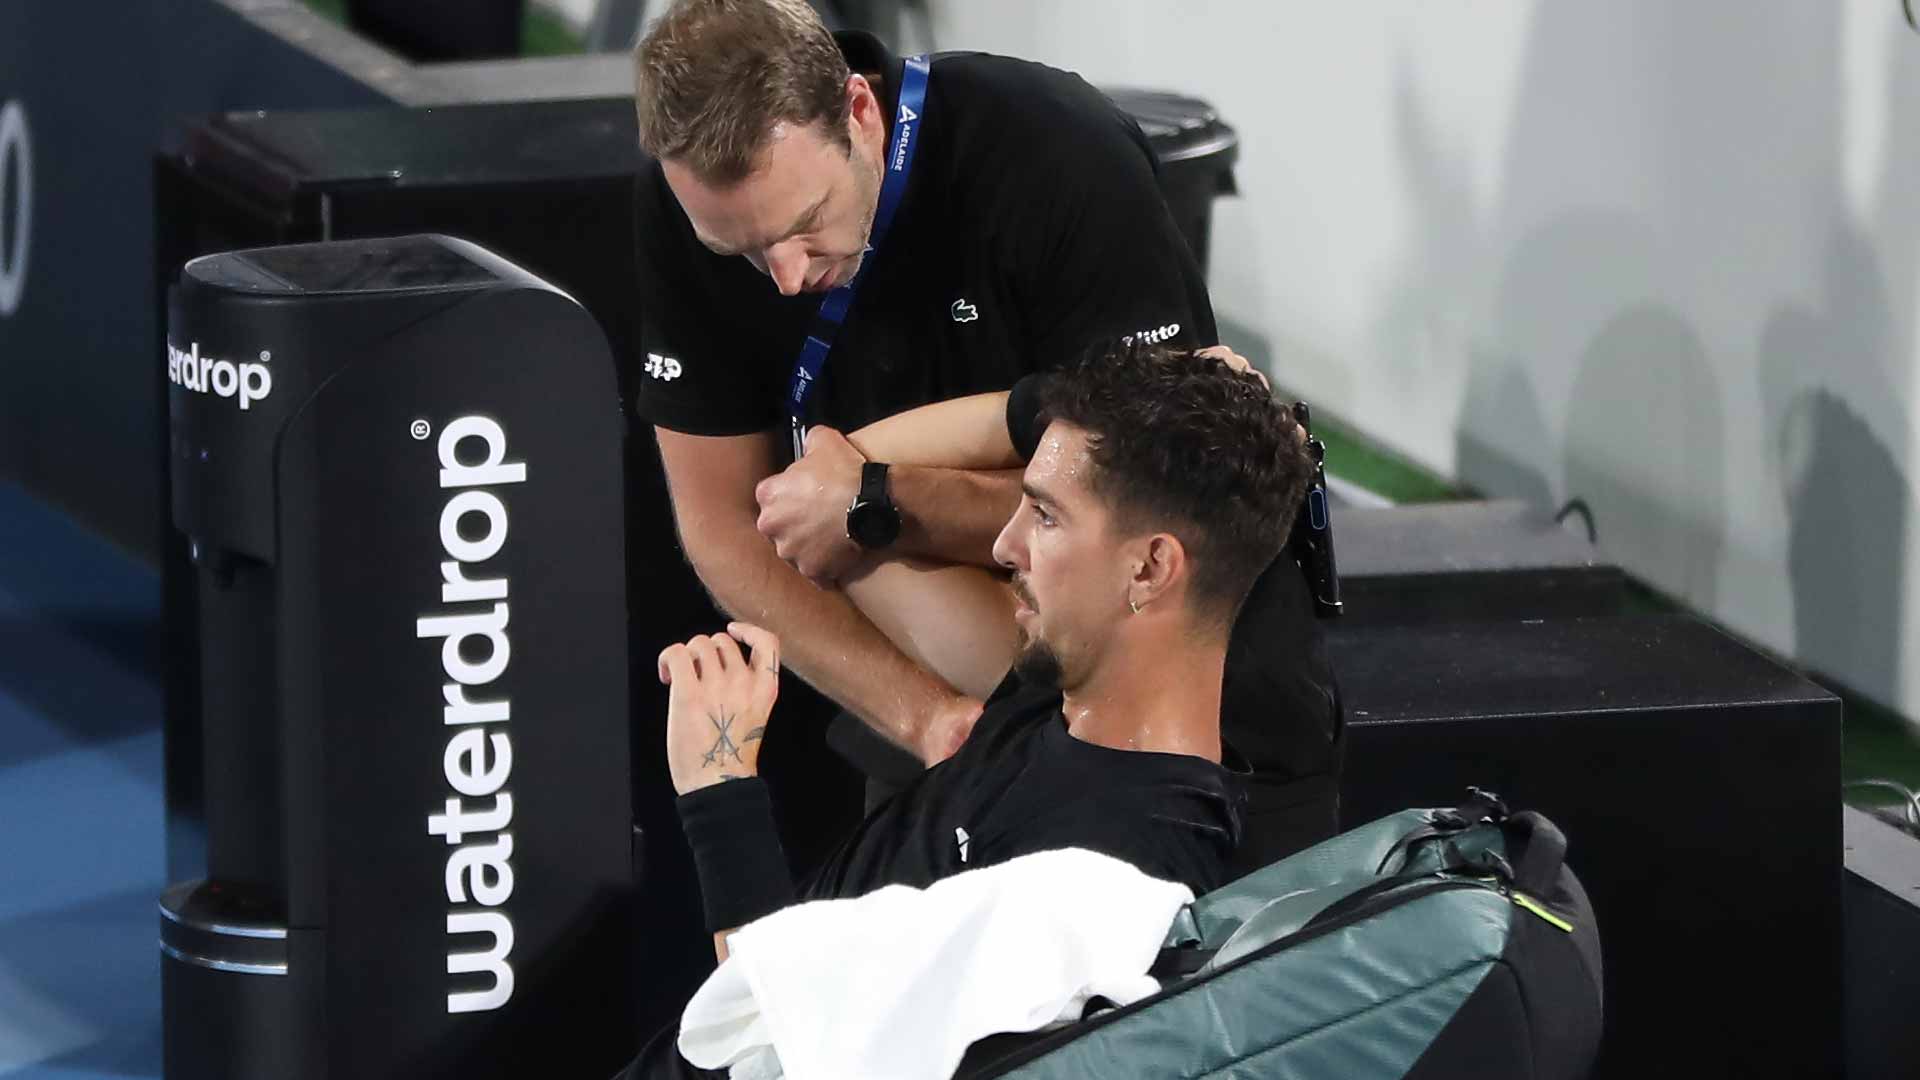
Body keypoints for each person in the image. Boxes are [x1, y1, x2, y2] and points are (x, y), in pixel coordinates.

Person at [619, 341, 1317, 1079]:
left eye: (1046, 517)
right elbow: (822, 483)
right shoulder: (1058, 688)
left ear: (1148, 568)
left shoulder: (1102, 874)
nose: (1005, 542)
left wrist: (718, 784)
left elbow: (785, 1039)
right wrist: (1167, 394)